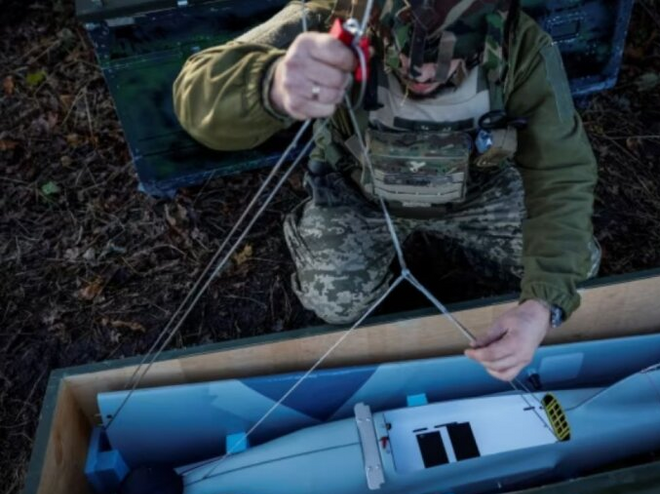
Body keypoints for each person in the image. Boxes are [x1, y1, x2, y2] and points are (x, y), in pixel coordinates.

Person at [173, 0, 600, 382]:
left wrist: (541, 306)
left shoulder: (520, 45)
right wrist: (271, 83)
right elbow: (196, 96)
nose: (422, 75)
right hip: (361, 199)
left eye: (445, 59)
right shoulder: (333, 18)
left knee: (574, 269)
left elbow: (561, 172)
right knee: (334, 300)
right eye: (407, 55)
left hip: (477, 195)